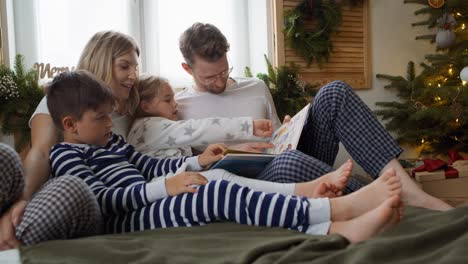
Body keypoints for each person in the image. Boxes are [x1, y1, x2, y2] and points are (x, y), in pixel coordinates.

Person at [46, 70, 404, 243]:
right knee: (213, 193)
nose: (110, 123)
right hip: (128, 221)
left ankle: (325, 213)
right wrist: (165, 188)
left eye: (110, 115)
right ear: (70, 124)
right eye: (101, 118)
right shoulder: (65, 156)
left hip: (151, 202)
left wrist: (194, 163)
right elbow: (104, 201)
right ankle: (334, 214)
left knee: (215, 178)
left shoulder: (112, 144)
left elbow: (148, 166)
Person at [175, 22, 452, 211]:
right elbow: (187, 171)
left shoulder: (255, 87)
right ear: (187, 69)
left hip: (284, 158)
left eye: (224, 70)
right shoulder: (180, 107)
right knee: (288, 164)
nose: (220, 80)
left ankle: (401, 184)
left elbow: (273, 136)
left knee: (334, 92)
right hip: (259, 183)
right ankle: (383, 193)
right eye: (210, 77)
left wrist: (286, 131)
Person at [0, 30, 140, 249]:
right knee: (4, 155)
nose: (134, 75)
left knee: (70, 186)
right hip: (44, 199)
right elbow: (41, 152)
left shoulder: (131, 105)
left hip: (87, 199)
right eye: (124, 66)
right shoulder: (64, 99)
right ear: (101, 63)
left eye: (136, 67)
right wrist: (20, 203)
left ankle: (13, 245)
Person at [128, 74, 274, 157]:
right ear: (146, 106)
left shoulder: (161, 127)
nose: (175, 103)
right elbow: (200, 129)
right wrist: (249, 126)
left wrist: (234, 151)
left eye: (173, 98)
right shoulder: (148, 128)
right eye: (167, 100)